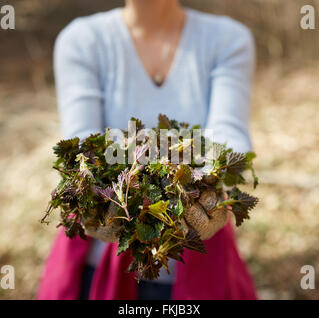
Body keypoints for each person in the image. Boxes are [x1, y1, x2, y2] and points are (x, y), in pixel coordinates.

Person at [38, 0, 257, 300]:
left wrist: (217, 184)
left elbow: (230, 136)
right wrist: (97, 199)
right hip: (99, 263)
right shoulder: (82, 40)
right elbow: (81, 147)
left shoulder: (228, 39)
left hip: (200, 261)